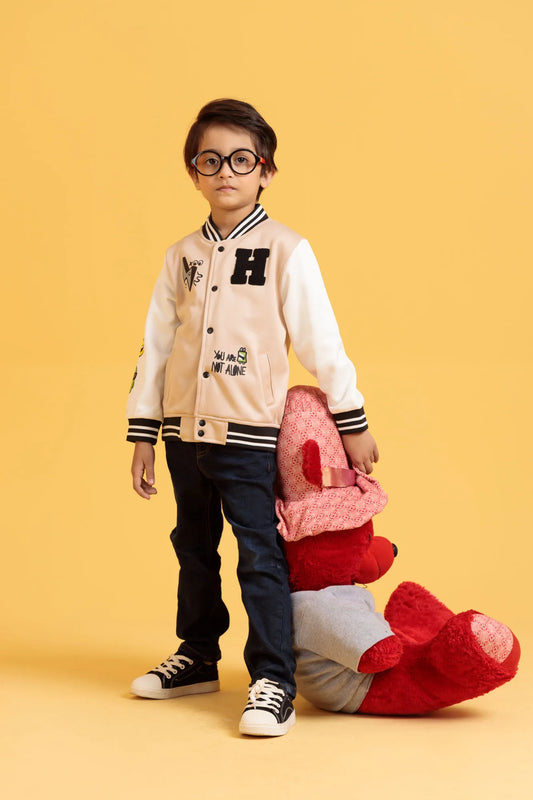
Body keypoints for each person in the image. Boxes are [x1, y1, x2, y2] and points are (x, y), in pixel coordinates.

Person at [126, 98, 379, 737]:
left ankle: (272, 677)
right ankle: (198, 656)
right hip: (185, 433)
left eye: (242, 159)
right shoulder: (180, 256)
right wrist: (143, 434)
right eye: (210, 160)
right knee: (192, 547)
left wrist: (351, 420)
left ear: (265, 169)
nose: (226, 171)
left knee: (259, 554)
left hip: (248, 434)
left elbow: (322, 341)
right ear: (193, 172)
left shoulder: (285, 250)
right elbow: (156, 347)